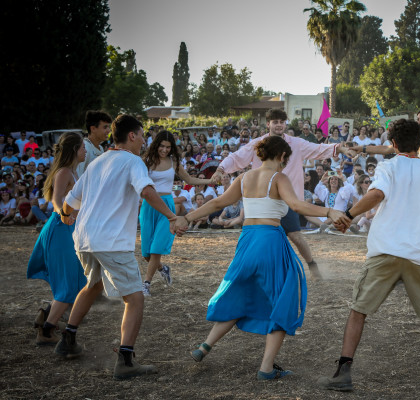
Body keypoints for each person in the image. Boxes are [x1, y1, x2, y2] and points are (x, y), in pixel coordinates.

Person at [317, 119, 420, 391]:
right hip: (419, 253)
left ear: (393, 144)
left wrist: (348, 216)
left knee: (358, 311)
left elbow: (377, 195)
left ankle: (343, 372)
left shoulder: (387, 166)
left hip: (385, 250)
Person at [178, 136, 347, 380]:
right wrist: (329, 211)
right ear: (281, 157)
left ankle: (205, 345)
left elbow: (217, 201)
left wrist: (187, 217)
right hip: (270, 241)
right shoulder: (279, 178)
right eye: (285, 159)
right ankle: (266, 369)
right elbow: (296, 205)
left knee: (241, 293)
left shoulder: (244, 177)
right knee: (283, 300)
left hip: (247, 241)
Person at [54, 115, 179, 380]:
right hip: (111, 240)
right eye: (142, 134)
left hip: (85, 238)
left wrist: (66, 215)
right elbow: (146, 192)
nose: (145, 140)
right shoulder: (132, 161)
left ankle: (67, 339)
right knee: (134, 297)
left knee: (93, 285)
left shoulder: (97, 162)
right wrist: (171, 216)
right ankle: (125, 359)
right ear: (131, 136)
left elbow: (69, 203)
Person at [212, 108, 352, 280]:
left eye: (281, 122)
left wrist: (339, 148)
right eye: (275, 122)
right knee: (258, 238)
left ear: (285, 124)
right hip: (263, 200)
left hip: (288, 200)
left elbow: (319, 148)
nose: (278, 125)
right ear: (268, 124)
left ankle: (312, 266)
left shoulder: (297, 143)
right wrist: (220, 169)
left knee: (296, 236)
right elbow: (236, 158)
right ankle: (251, 271)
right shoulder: (258, 144)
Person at [348, 107, 420, 290]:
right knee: (410, 233)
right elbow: (387, 148)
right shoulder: (411, 141)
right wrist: (360, 148)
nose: (419, 122)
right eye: (417, 119)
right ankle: (405, 273)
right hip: (414, 196)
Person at [27, 132, 87, 345]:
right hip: (61, 228)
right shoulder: (64, 171)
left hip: (67, 228)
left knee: (75, 280)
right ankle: (46, 330)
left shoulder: (72, 171)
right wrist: (66, 214)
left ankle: (46, 316)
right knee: (69, 284)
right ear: (73, 150)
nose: (85, 151)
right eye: (82, 148)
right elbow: (56, 199)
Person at [139, 131, 213, 297]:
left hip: (167, 205)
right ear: (155, 145)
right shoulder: (146, 162)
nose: (164, 150)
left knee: (156, 248)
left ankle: (146, 284)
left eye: (168, 147)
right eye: (162, 146)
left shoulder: (174, 162)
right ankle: (162, 269)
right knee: (146, 253)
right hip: (149, 206)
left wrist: (210, 181)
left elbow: (191, 180)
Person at [76, 110, 112, 176]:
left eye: (108, 127)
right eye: (105, 127)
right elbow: (78, 176)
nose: (109, 131)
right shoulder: (85, 148)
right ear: (93, 129)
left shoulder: (100, 148)